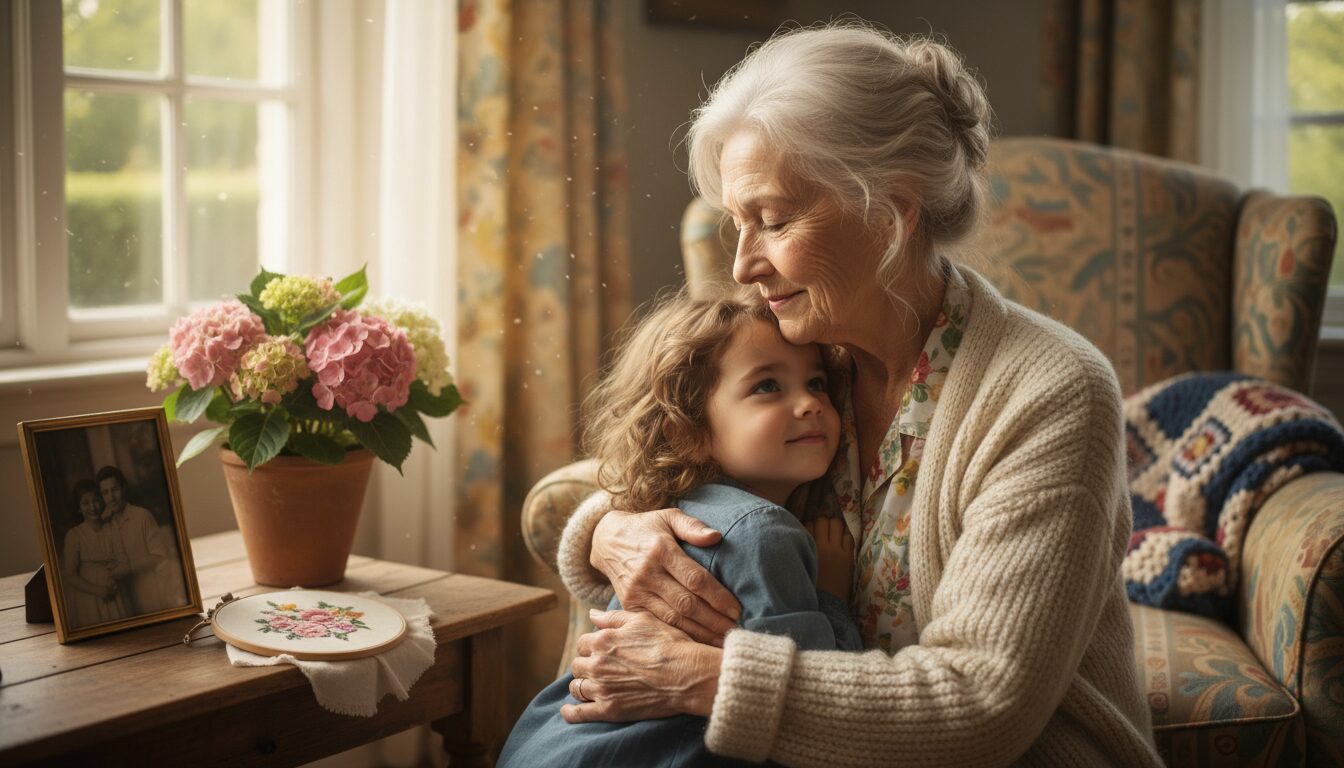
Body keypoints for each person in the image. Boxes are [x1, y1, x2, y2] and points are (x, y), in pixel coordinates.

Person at [552, 22, 1162, 767]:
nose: (743, 265)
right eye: (739, 225)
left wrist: (699, 679)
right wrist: (607, 530)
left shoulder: (1052, 391)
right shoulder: (799, 353)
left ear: (891, 215)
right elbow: (664, 449)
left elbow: (980, 706)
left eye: (773, 221)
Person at [501, 295, 864, 767]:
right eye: (768, 386)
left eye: (815, 383)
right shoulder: (765, 534)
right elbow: (811, 714)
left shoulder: (667, 506)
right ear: (687, 432)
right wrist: (831, 596)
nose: (810, 404)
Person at [96, 465, 185, 615]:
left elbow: (160, 555)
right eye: (105, 493)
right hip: (122, 599)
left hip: (148, 591)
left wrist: (129, 567)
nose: (111, 497)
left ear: (123, 488)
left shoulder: (142, 516)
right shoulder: (106, 524)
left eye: (115, 490)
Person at [61, 479, 132, 628]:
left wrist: (115, 577)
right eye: (86, 503)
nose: (92, 507)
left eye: (95, 501)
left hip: (114, 589)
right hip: (89, 596)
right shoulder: (75, 535)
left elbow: (123, 558)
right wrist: (97, 590)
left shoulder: (112, 527)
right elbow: (70, 575)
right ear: (79, 508)